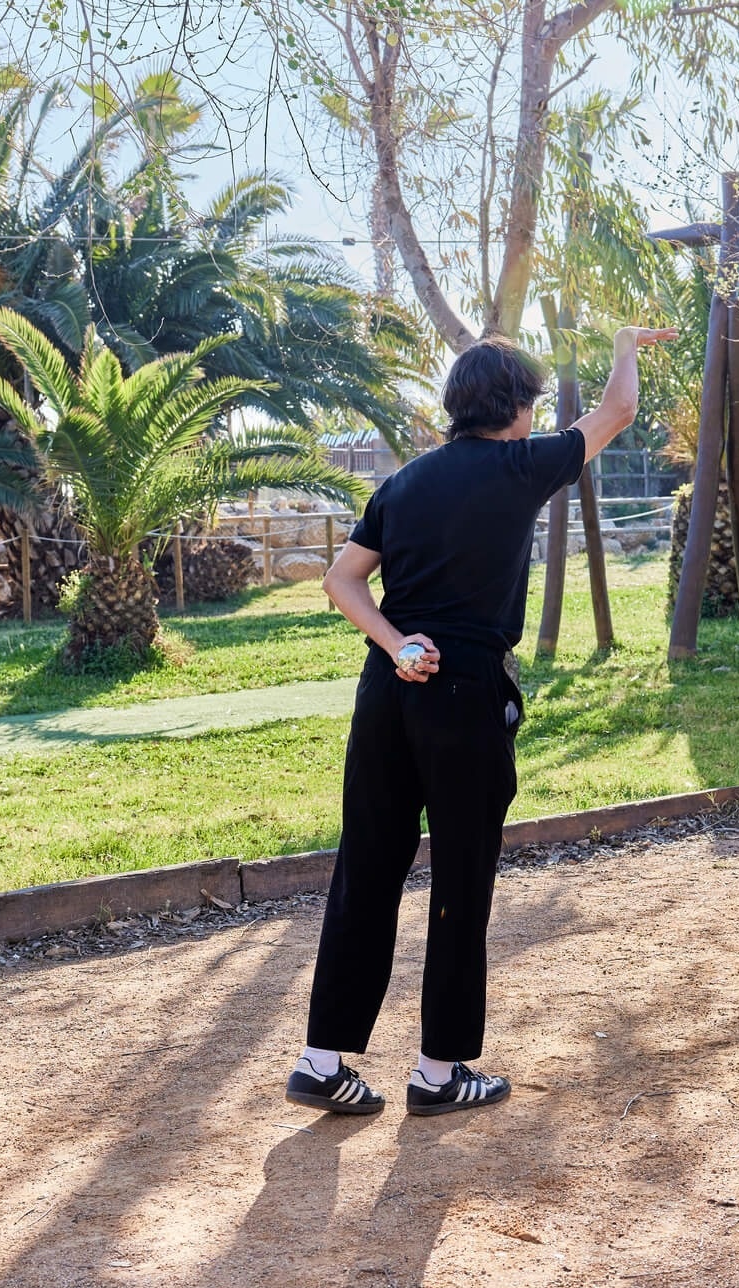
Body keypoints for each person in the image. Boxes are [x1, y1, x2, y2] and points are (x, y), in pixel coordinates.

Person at [288, 324, 676, 1118]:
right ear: (516, 409)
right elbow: (618, 410)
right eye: (531, 403)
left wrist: (399, 645)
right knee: (460, 880)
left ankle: (320, 1061)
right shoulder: (519, 466)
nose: (536, 417)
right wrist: (624, 343)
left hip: (388, 685)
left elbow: (341, 581)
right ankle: (438, 1073)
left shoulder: (404, 483)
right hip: (464, 690)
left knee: (367, 869)